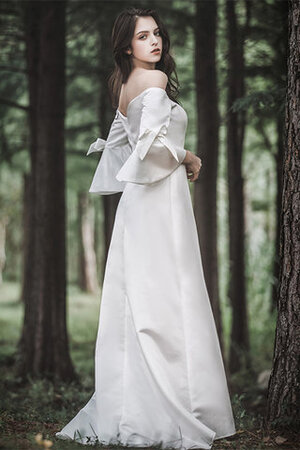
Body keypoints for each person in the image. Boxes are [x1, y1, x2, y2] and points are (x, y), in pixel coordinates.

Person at [56, 7, 236, 449]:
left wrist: (179, 153)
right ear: (125, 45)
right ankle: (176, 406)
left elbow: (128, 142)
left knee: (143, 301)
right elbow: (154, 148)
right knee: (167, 298)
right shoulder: (153, 82)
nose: (154, 41)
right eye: (142, 36)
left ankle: (138, 402)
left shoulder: (122, 86)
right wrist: (189, 158)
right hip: (158, 203)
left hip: (140, 204)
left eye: (156, 33)